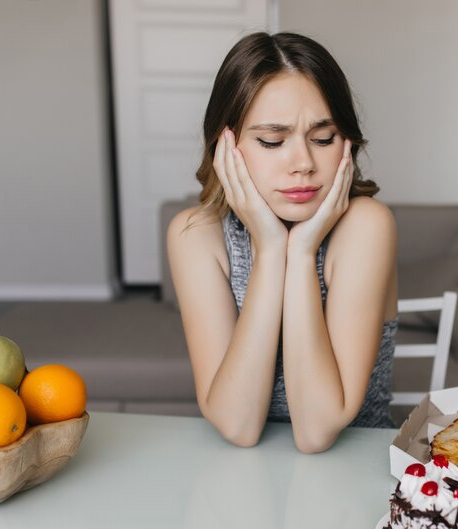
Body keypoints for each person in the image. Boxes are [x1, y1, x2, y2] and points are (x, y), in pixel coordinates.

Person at [167, 32, 397, 453]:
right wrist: (271, 249)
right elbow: (238, 426)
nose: (304, 164)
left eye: (323, 138)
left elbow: (318, 431)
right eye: (273, 141)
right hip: (244, 479)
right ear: (227, 145)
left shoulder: (366, 226)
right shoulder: (196, 236)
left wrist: (303, 250)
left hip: (355, 472)